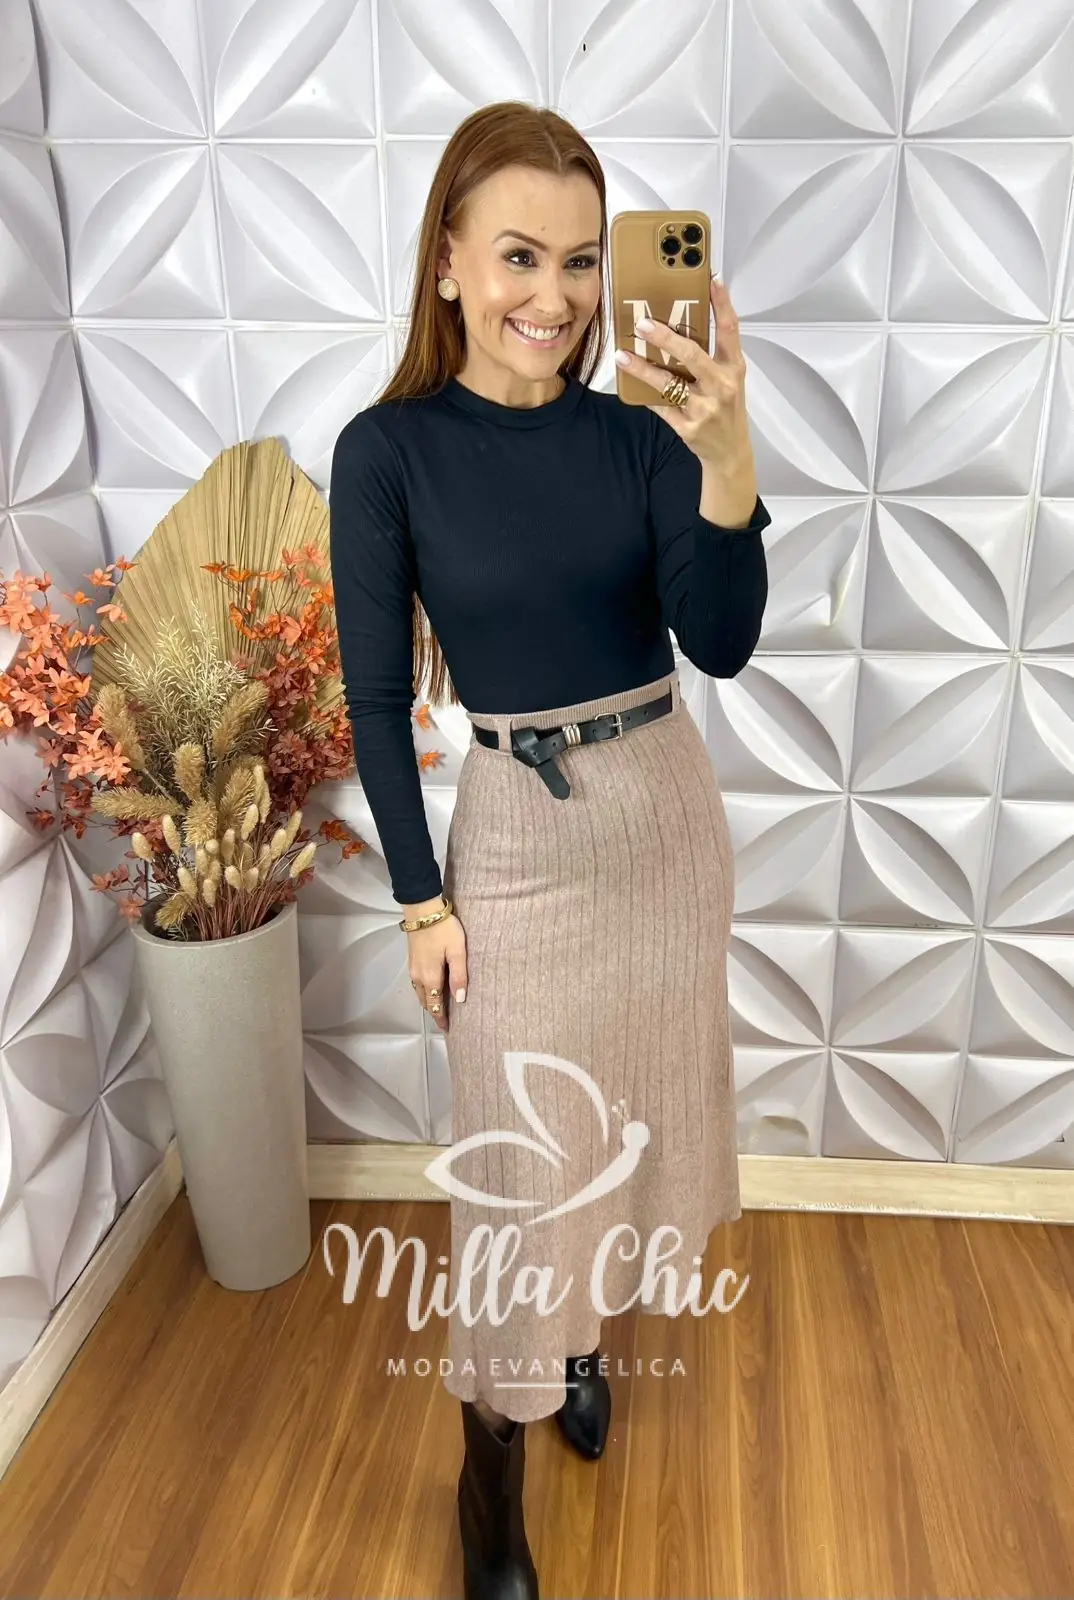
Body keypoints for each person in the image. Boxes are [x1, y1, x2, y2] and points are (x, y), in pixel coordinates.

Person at [329, 100, 770, 1600]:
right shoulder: (387, 453)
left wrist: (725, 454)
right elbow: (376, 701)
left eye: (584, 261)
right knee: (521, 1179)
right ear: (448, 262)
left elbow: (720, 640)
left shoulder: (641, 435)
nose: (559, 295)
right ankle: (488, 1486)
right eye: (520, 255)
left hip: (663, 826)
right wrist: (420, 903)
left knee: (625, 1129)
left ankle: (581, 1347)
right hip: (514, 840)